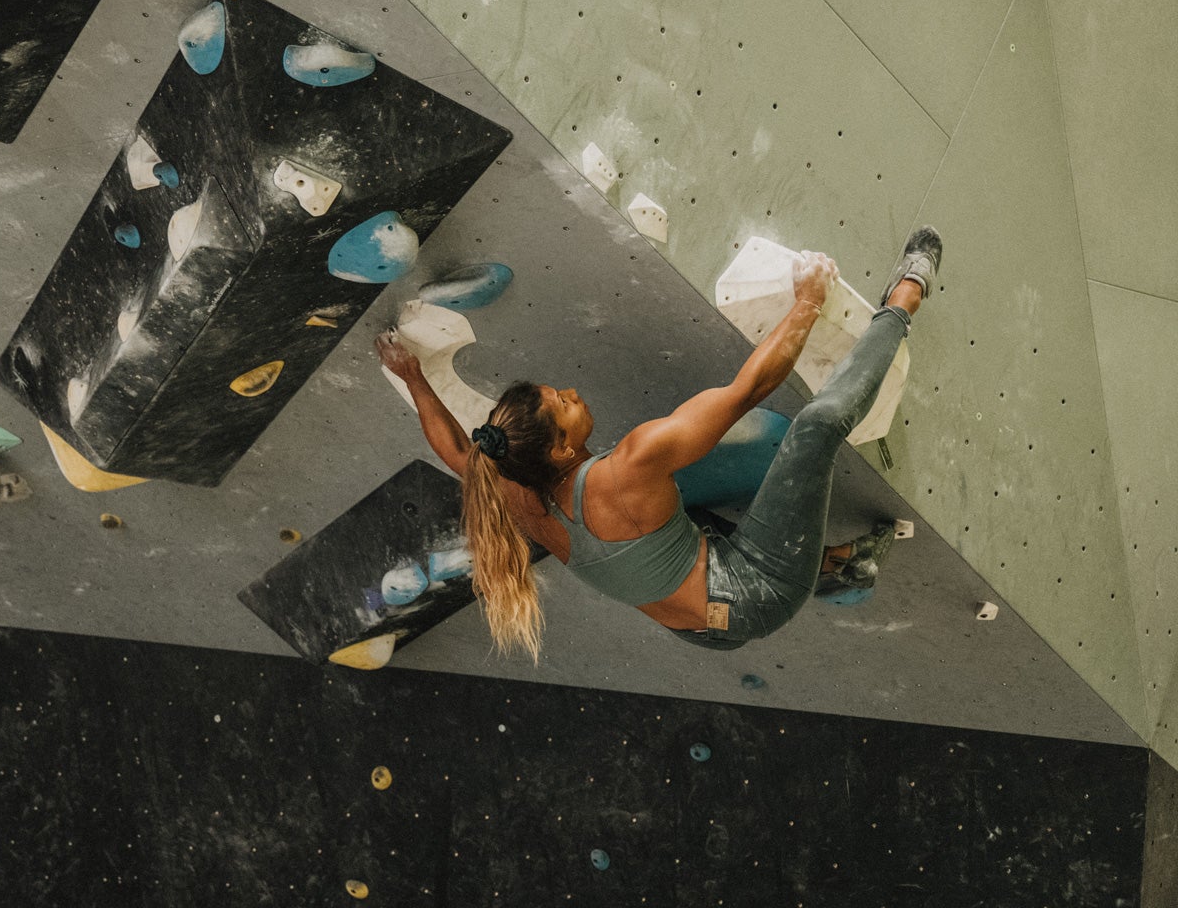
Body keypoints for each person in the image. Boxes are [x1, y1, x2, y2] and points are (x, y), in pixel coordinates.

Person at [378, 228, 943, 658]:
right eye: (564, 405)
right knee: (815, 429)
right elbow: (750, 388)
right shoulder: (629, 466)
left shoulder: (510, 489)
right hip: (755, 593)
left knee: (670, 511)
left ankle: (839, 566)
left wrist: (415, 378)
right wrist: (808, 301)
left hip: (696, 630)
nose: (573, 393)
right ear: (559, 450)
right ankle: (905, 301)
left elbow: (455, 449)